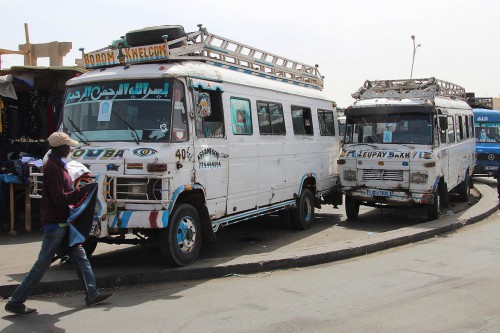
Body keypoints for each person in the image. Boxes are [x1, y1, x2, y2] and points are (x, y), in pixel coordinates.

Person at [4, 132, 113, 315]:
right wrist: (81, 191)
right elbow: (58, 198)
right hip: (56, 224)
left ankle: (92, 293)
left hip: (62, 223)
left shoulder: (58, 165)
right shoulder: (54, 169)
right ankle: (16, 301)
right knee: (41, 265)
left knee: (80, 257)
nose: (70, 149)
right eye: (68, 146)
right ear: (59, 147)